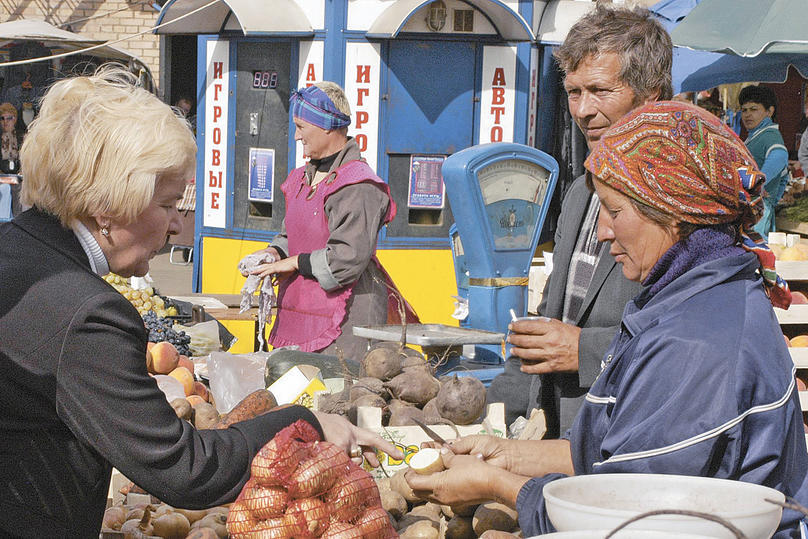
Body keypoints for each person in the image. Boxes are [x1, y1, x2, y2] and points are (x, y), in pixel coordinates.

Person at [0, 67, 402, 537]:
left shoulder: (14, 247)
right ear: (107, 205)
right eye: (169, 204)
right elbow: (186, 471)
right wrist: (304, 420)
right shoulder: (89, 313)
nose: (175, 226)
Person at [406, 101, 808, 537]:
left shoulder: (696, 345)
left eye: (615, 212)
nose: (602, 232)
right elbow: (617, 451)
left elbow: (626, 518)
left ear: (674, 213)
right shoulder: (686, 299)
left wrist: (498, 485)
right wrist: (508, 454)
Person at [487, 4, 670, 436]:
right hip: (560, 431)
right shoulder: (577, 194)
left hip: (631, 434)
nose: (582, 110)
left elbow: (691, 335)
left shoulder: (680, 204)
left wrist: (584, 350)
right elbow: (554, 311)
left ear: (651, 96)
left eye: (600, 90)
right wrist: (497, 408)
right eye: (573, 92)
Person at [244, 81, 416, 360]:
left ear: (325, 126)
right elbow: (293, 234)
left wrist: (294, 262)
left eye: (301, 127)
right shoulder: (301, 179)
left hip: (347, 323)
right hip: (299, 312)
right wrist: (273, 253)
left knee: (336, 395)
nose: (297, 136)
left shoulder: (358, 186)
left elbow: (346, 260)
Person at [739, 84, 789, 239]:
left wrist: (759, 184)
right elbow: (784, 177)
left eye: (754, 109)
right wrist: (773, 197)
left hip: (756, 210)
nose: (747, 115)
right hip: (756, 208)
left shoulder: (769, 135)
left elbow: (780, 156)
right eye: (744, 110)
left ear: (769, 111)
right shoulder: (756, 135)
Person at [0, 101, 21, 173]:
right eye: (2, 118)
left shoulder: (22, 137)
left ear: (15, 119)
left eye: (9, 118)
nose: (5, 121)